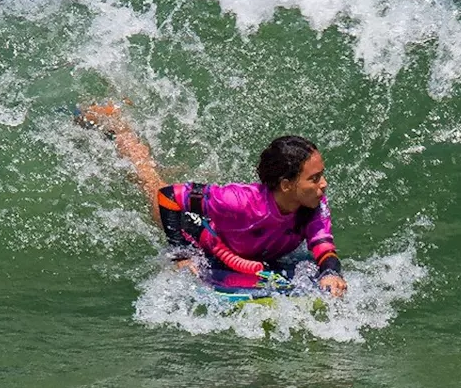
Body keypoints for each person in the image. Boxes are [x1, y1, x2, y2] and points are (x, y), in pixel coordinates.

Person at [77, 101, 348, 298]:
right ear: (287, 185)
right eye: (314, 178)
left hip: (242, 250)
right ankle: (116, 125)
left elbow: (323, 246)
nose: (323, 184)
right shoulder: (240, 201)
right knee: (150, 182)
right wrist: (181, 254)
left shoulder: (313, 205)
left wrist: (331, 274)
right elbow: (170, 197)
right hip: (197, 229)